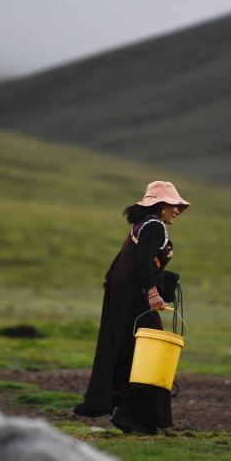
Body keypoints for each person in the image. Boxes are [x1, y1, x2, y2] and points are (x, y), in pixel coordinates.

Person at [73, 180, 189, 434]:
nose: (177, 210)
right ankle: (132, 412)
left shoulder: (143, 226)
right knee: (150, 352)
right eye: (173, 205)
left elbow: (140, 263)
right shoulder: (154, 227)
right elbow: (144, 262)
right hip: (137, 299)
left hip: (125, 299)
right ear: (160, 206)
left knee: (132, 350)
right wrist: (153, 292)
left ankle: (132, 414)